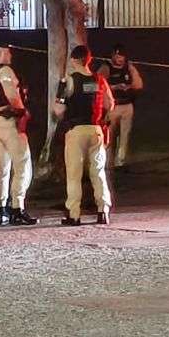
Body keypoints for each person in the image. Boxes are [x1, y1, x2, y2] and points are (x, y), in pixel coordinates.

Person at [54, 45, 114, 226]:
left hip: (76, 131)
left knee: (74, 174)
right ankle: (103, 211)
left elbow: (58, 110)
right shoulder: (99, 80)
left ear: (73, 60)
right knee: (98, 172)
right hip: (96, 130)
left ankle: (74, 214)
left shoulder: (69, 81)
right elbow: (109, 104)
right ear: (89, 60)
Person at [0, 44, 38, 226]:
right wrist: (23, 112)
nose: (11, 55)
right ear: (0, 52)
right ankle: (17, 208)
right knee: (22, 164)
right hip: (8, 122)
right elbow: (12, 96)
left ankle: (0, 209)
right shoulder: (5, 71)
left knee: (2, 167)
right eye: (8, 51)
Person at [97, 44, 144, 169]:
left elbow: (139, 84)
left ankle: (121, 163)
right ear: (113, 56)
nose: (120, 59)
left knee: (125, 136)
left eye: (122, 56)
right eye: (117, 56)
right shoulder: (106, 67)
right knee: (109, 136)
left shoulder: (129, 67)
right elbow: (96, 85)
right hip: (113, 107)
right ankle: (107, 163)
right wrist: (114, 87)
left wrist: (130, 86)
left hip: (127, 106)